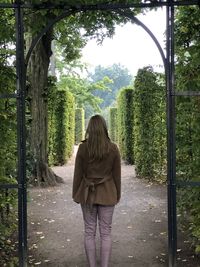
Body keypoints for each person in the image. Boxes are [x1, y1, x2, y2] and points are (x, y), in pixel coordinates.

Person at [72, 114, 121, 267]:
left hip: (87, 194)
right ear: (104, 128)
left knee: (89, 231)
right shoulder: (113, 148)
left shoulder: (83, 148)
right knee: (106, 233)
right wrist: (117, 195)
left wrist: (75, 194)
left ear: (89, 129)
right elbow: (116, 175)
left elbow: (78, 173)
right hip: (107, 193)